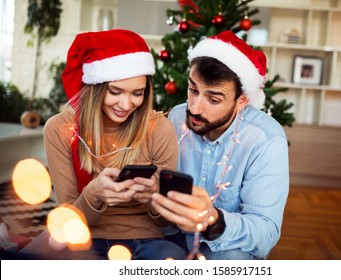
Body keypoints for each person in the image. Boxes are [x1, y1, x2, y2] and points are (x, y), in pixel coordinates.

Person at [21, 29, 185, 260]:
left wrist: (154, 198)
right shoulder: (59, 129)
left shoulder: (159, 128)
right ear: (95, 88)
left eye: (137, 93)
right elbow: (69, 220)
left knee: (169, 256)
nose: (126, 104)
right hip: (84, 239)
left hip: (146, 241)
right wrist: (92, 195)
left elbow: (167, 220)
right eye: (115, 92)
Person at [151, 30, 289, 260]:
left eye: (213, 99)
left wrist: (214, 220)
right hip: (172, 239)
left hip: (225, 246)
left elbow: (266, 231)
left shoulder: (266, 139)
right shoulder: (175, 119)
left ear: (242, 100)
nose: (194, 108)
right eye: (193, 90)